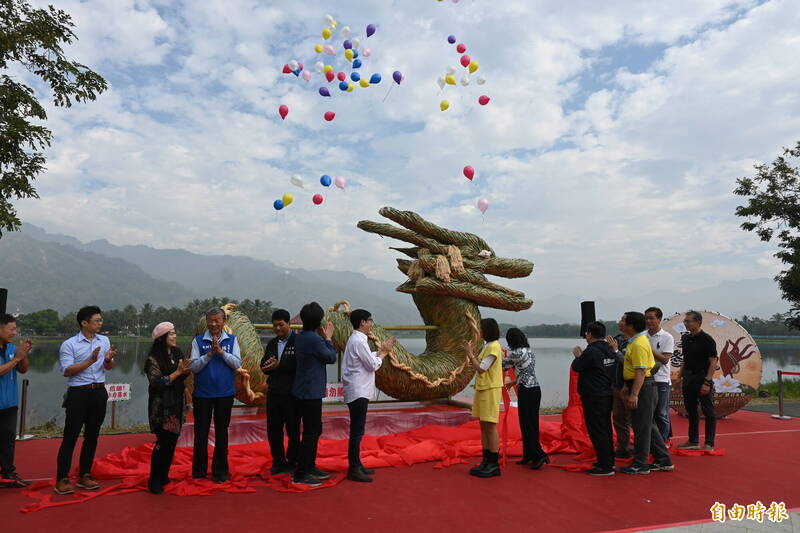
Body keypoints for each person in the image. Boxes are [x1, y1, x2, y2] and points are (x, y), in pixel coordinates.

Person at [55, 306, 118, 494]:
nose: (101, 323)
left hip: (99, 392)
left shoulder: (104, 340)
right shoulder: (69, 344)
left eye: (101, 320)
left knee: (92, 436)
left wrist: (107, 359)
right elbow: (67, 371)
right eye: (97, 320)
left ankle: (85, 474)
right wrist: (90, 361)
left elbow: (109, 367)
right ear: (84, 323)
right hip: (78, 393)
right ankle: (62, 478)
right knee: (70, 437)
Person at [342, 309, 395, 482]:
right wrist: (385, 352)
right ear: (363, 322)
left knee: (358, 430)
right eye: (370, 320)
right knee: (357, 431)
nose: (371, 323)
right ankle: (354, 468)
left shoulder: (357, 340)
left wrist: (380, 351)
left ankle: (357, 464)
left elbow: (367, 358)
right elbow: (372, 365)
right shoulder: (358, 340)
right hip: (358, 391)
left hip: (358, 389)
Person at [617, 312, 673, 474]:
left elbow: (641, 371)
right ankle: (664, 460)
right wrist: (628, 386)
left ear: (630, 326)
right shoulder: (635, 341)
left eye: (622, 320)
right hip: (640, 385)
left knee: (641, 427)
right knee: (648, 426)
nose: (619, 322)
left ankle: (640, 463)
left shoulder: (639, 344)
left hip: (644, 387)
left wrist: (634, 394)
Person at [190, 307, 242, 483]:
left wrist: (221, 352)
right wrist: (209, 354)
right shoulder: (198, 341)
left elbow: (237, 364)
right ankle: (199, 471)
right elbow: (194, 367)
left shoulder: (232, 340)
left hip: (225, 394)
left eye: (217, 320)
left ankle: (220, 471)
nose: (213, 324)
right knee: (201, 433)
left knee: (222, 433)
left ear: (223, 322)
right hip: (203, 394)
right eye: (210, 321)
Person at [291, 302, 337, 487]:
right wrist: (328, 338)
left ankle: (309, 466)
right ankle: (302, 472)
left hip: (301, 391)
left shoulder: (300, 337)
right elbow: (331, 357)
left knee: (311, 431)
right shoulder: (314, 339)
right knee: (312, 431)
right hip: (310, 393)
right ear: (319, 321)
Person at [145, 322, 191, 494]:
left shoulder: (177, 352)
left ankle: (164, 475)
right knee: (162, 443)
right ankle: (154, 480)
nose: (174, 336)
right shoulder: (153, 360)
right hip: (161, 408)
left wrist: (185, 370)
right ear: (161, 338)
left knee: (172, 443)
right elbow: (157, 383)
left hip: (176, 404)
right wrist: (178, 372)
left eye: (174, 333)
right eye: (171, 334)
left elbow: (182, 376)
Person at [571, 321, 617, 476]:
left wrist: (578, 356)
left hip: (594, 395)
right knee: (605, 428)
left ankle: (605, 466)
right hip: (606, 393)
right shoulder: (609, 349)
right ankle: (607, 460)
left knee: (598, 430)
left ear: (589, 334)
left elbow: (577, 366)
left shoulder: (591, 352)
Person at [259, 309, 300, 475]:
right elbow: (264, 365)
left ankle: (293, 460)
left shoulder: (297, 342)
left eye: (281, 325)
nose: (277, 328)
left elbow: (300, 366)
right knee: (273, 430)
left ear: (289, 324)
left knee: (293, 429)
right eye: (274, 325)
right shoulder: (272, 343)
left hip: (292, 394)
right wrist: (267, 366)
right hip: (274, 393)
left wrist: (279, 366)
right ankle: (278, 461)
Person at [503, 327, 548, 470]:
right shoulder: (528, 350)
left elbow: (503, 365)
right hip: (533, 389)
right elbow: (525, 370)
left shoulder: (516, 353)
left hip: (527, 391)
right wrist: (513, 382)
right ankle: (529, 454)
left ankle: (539, 455)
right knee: (529, 423)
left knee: (528, 424)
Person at [464, 318, 503, 478]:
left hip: (490, 389)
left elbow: (481, 368)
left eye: (481, 328)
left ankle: (494, 463)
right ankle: (486, 459)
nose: (478, 331)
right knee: (483, 425)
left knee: (490, 425)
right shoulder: (487, 346)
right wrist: (472, 355)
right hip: (483, 388)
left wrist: (470, 354)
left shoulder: (494, 346)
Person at [676, 310, 718, 451]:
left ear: (698, 322)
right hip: (688, 377)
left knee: (708, 410)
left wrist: (707, 382)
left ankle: (709, 443)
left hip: (702, 377)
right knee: (691, 410)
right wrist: (679, 376)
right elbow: (685, 359)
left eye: (688, 321)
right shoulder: (686, 339)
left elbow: (713, 362)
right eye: (685, 321)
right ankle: (693, 441)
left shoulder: (707, 339)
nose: (685, 323)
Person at [0, 314, 32, 488]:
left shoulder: (12, 348)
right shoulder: (13, 353)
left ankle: (8, 474)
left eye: (15, 329)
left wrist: (23, 355)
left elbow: (23, 370)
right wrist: (17, 359)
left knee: (7, 440)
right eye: (11, 329)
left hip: (10, 402)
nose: (14, 332)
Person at [645, 307, 675, 443]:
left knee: (661, 413)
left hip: (661, 379)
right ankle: (652, 441)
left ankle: (663, 441)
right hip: (645, 379)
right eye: (646, 318)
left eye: (652, 318)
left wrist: (648, 348)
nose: (648, 321)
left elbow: (664, 359)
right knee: (648, 413)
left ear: (659, 319)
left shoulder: (667, 337)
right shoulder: (643, 336)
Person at [607, 318, 632, 458]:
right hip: (616, 385)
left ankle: (646, 450)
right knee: (618, 418)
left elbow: (628, 364)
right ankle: (623, 448)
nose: (620, 321)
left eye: (623, 319)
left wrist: (616, 350)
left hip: (629, 386)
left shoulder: (637, 341)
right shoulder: (617, 339)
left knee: (635, 419)